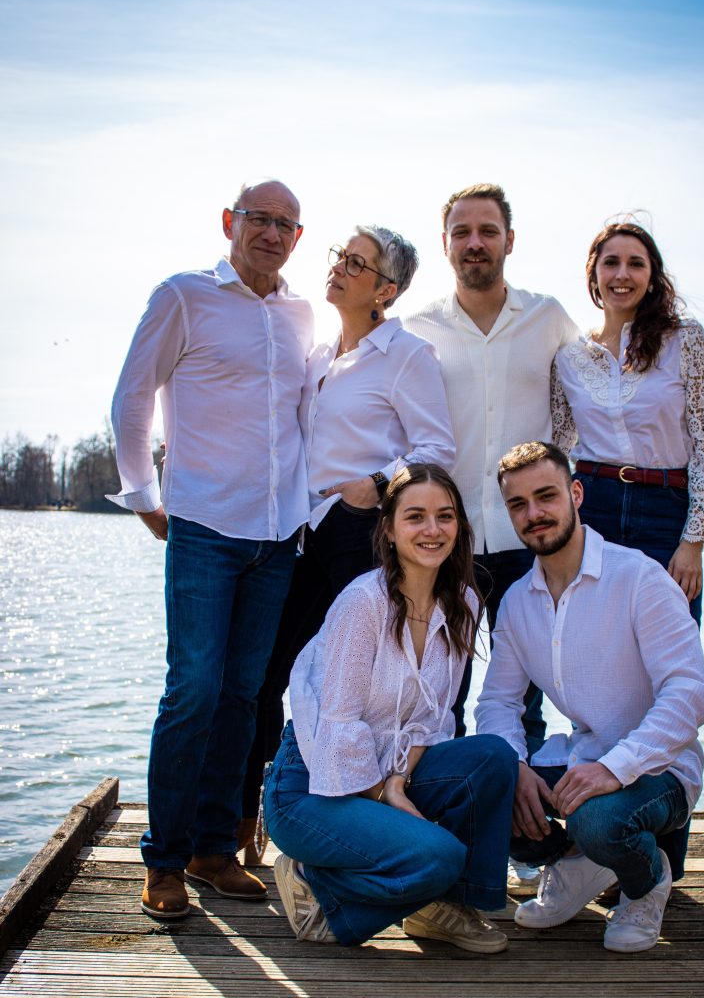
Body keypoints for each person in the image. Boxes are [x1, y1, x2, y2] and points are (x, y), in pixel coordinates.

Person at [107, 179, 313, 920]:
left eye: (287, 223)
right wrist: (141, 496)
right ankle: (162, 858)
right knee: (192, 689)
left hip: (278, 535)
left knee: (243, 695)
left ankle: (213, 848)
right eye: (260, 218)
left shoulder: (299, 314)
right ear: (230, 222)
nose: (272, 232)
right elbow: (133, 397)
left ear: (297, 236)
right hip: (202, 527)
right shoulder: (184, 296)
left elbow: (304, 416)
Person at [239, 227, 455, 859]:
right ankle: (254, 821)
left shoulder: (407, 355)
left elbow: (438, 447)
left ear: (384, 290)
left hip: (360, 534)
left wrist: (379, 484)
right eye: (340, 256)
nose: (338, 268)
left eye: (356, 264)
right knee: (270, 677)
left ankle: (370, 823)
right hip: (297, 535)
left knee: (352, 687)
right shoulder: (319, 354)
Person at [404, 182, 578, 895]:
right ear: (445, 243)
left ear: (509, 239)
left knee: (523, 690)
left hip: (523, 534)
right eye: (460, 232)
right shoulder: (416, 328)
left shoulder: (549, 320)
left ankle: (524, 839)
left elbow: (577, 410)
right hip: (442, 539)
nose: (474, 243)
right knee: (437, 688)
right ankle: (443, 833)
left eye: (487, 230)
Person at [264, 464, 518, 951]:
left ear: (460, 527)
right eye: (415, 516)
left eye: (445, 517)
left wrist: (400, 780)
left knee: (493, 758)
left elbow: (435, 718)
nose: (432, 530)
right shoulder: (363, 602)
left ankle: (442, 908)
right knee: (437, 856)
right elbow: (338, 723)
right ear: (389, 527)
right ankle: (318, 888)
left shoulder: (463, 603)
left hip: (386, 771)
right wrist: (386, 795)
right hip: (313, 787)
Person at [476, 441, 704, 953]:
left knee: (598, 819)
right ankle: (576, 864)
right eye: (519, 504)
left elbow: (691, 691)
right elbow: (497, 703)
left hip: (659, 770)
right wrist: (514, 766)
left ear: (576, 494)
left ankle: (647, 882)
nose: (534, 514)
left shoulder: (639, 578)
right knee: (485, 785)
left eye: (546, 496)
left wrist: (614, 768)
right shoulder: (518, 601)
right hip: (584, 758)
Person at [551, 220, 704, 625]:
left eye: (636, 264)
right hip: (593, 509)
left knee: (672, 646)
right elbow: (558, 447)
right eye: (611, 263)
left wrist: (693, 543)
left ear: (652, 277)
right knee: (596, 641)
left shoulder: (687, 339)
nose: (622, 274)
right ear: (594, 273)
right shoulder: (569, 357)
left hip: (667, 509)